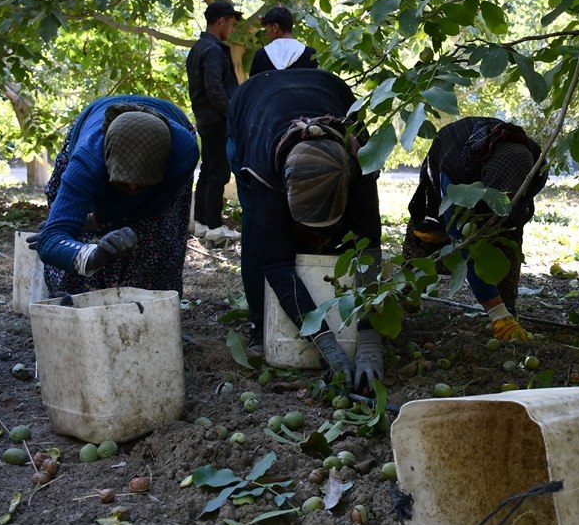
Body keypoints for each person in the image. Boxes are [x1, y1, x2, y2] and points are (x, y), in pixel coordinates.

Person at [227, 68, 383, 390]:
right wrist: (326, 344)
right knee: (259, 235)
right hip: (252, 109)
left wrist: (369, 339)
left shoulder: (360, 163)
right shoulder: (263, 173)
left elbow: (368, 247)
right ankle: (260, 325)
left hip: (327, 91)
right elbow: (276, 263)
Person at [33, 96, 199, 296]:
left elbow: (154, 207)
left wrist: (98, 221)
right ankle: (74, 294)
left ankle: (148, 300)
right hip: (91, 128)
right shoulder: (86, 163)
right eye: (123, 181)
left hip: (172, 140)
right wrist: (93, 254)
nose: (133, 187)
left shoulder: (183, 155)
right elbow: (50, 240)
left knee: (154, 233)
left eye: (143, 183)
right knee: (72, 230)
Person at [403, 117, 547, 341]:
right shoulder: (455, 175)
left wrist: (503, 215)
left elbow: (513, 216)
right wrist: (496, 313)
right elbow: (467, 249)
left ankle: (508, 307)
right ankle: (407, 293)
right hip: (455, 161)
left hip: (491, 172)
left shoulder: (535, 165)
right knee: (428, 236)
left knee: (506, 239)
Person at [186, 0, 243, 242]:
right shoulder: (212, 50)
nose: (231, 29)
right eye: (230, 24)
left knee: (208, 170)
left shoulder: (199, 47)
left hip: (206, 119)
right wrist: (233, 113)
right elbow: (214, 88)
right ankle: (214, 226)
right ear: (221, 21)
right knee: (218, 171)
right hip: (217, 119)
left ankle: (200, 223)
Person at [249, 6, 318, 76]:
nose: (267, 33)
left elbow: (254, 85)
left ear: (275, 27)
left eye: (267, 29)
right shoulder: (310, 54)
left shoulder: (261, 55)